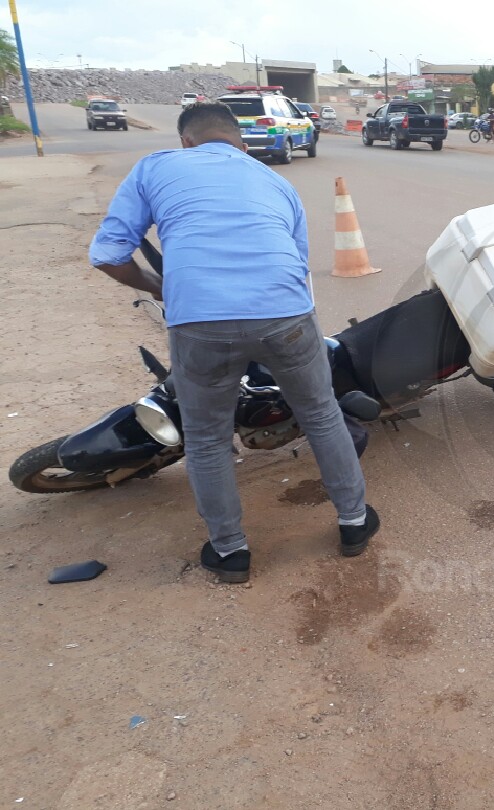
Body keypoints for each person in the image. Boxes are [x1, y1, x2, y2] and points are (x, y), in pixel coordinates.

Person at [88, 102, 379, 583]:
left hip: (200, 322)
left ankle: (229, 552)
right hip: (285, 314)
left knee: (206, 438)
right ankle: (353, 523)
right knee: (322, 415)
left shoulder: (155, 167)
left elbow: (108, 255)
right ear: (242, 145)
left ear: (186, 142)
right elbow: (297, 264)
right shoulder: (276, 181)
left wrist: (159, 287)